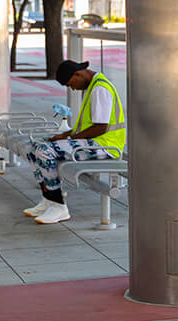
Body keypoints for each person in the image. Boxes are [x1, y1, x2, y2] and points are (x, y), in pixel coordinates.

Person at [22, 60, 126, 224]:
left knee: (44, 151)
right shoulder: (92, 87)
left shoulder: (100, 89)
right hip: (94, 142)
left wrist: (69, 138)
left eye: (71, 84)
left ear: (78, 74)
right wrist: (64, 135)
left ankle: (58, 207)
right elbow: (88, 127)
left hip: (105, 146)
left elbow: (100, 128)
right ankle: (48, 199)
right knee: (32, 148)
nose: (73, 88)